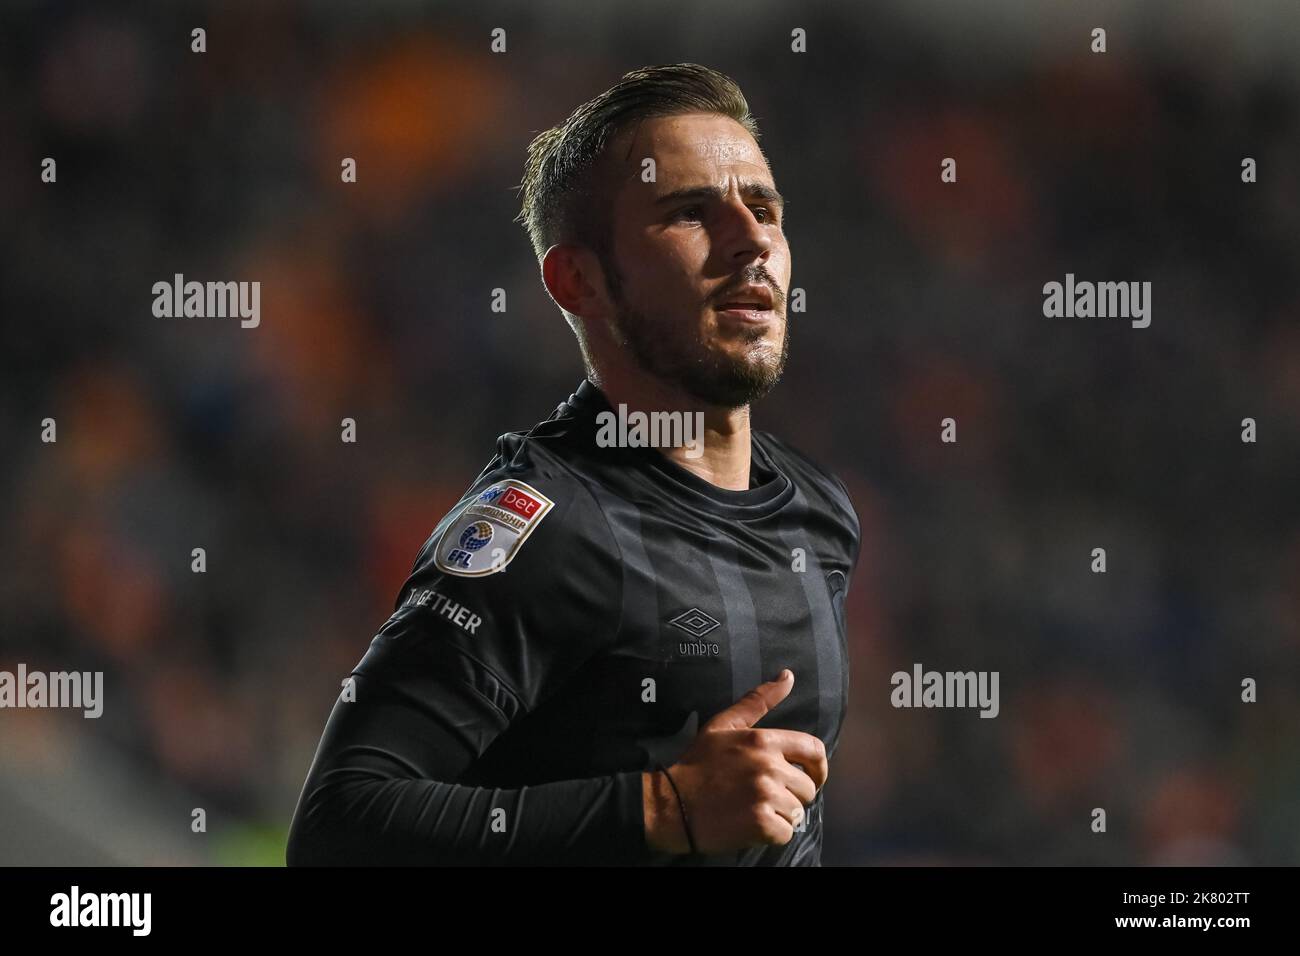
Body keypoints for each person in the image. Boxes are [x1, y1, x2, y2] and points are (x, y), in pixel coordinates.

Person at [287, 63, 860, 866]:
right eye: (691, 213)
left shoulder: (817, 511)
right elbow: (339, 826)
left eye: (762, 208)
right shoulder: (549, 526)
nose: (750, 238)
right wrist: (662, 808)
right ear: (578, 281)